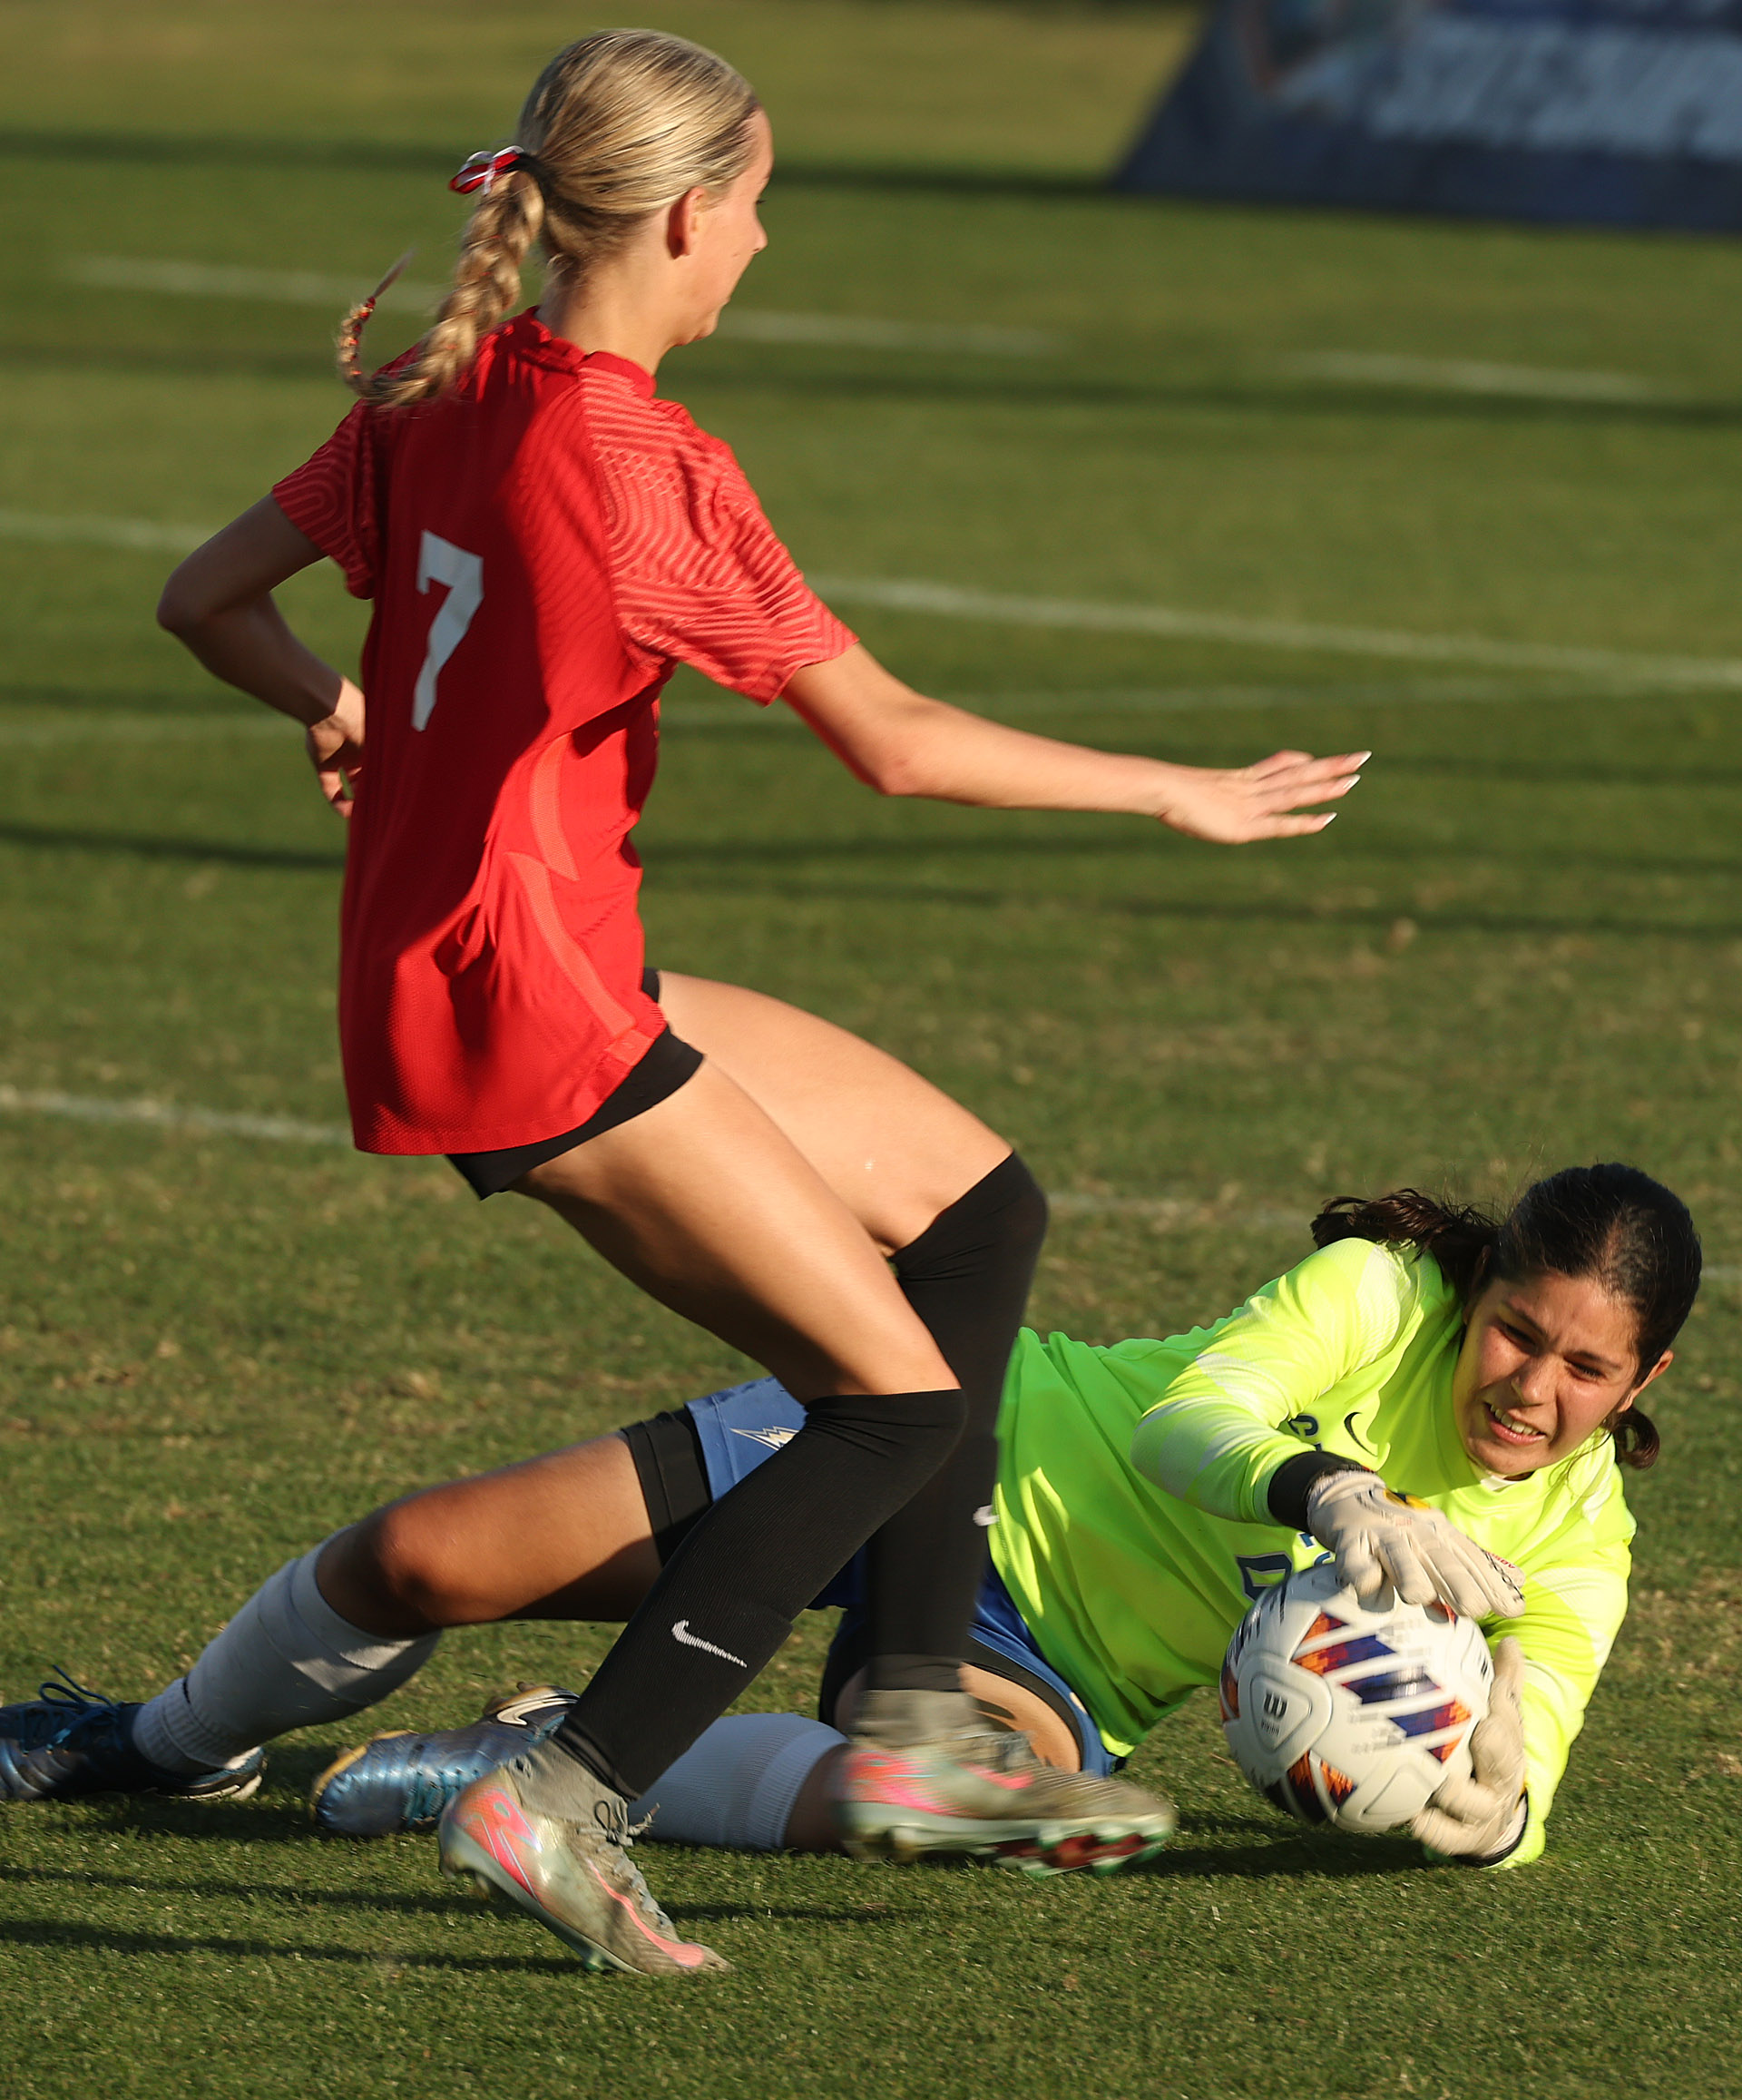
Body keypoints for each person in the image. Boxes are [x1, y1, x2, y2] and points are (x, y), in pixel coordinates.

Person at [38, 31, 1362, 1977]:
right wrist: (1178, 789)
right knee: (893, 1397)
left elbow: (202, 597)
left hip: (499, 964)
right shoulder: (646, 466)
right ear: (678, 217)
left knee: (978, 1212)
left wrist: (341, 706)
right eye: (753, 207)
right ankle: (565, 1790)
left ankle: (910, 1720)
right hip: (536, 1008)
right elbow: (891, 743)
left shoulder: (446, 390)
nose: (758, 243)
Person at [5, 1164, 1693, 1883]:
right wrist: (1329, 1488)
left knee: (931, 1805)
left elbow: (1529, 1756)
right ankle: (152, 1742)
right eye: (1516, 1332)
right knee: (423, 1559)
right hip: (942, 1436)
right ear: (1480, 1285)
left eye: (1585, 1368)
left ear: (1646, 1376)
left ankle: (544, 1761)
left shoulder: (1582, 1541)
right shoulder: (1380, 1292)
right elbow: (1193, 1419)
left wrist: (1495, 1804)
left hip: (1045, 1652)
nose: (1531, 1385)